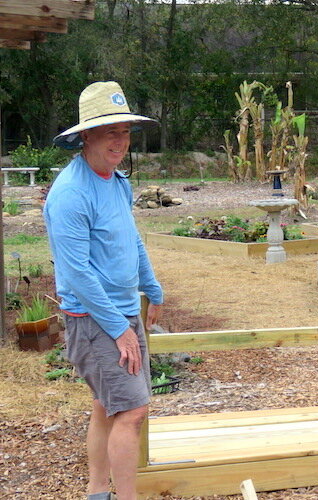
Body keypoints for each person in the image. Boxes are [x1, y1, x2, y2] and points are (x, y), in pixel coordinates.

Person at [44, 81, 163, 500]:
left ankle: (98, 493)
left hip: (120, 312)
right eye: (110, 130)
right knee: (132, 410)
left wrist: (153, 288)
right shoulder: (70, 194)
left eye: (125, 130)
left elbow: (131, 239)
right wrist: (119, 328)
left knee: (107, 406)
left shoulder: (116, 181)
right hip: (94, 320)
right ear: (86, 136)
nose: (120, 140)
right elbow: (76, 273)